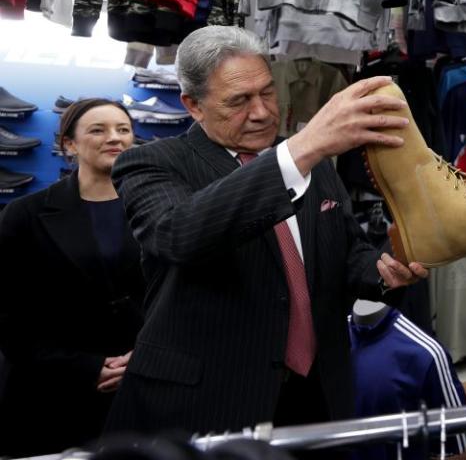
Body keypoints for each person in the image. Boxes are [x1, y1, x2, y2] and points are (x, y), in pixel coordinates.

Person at [103, 27, 428, 444]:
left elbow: (346, 255)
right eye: (238, 101)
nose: (261, 113)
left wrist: (385, 270)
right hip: (206, 404)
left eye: (267, 93)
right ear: (193, 105)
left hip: (317, 397)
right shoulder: (150, 163)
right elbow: (180, 234)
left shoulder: (315, 166)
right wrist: (298, 153)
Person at [0, 99, 144, 457]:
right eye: (98, 130)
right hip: (50, 395)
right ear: (69, 144)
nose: (114, 138)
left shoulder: (156, 210)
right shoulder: (26, 215)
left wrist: (144, 357)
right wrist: (86, 367)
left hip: (139, 390)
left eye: (123, 129)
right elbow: (7, 315)